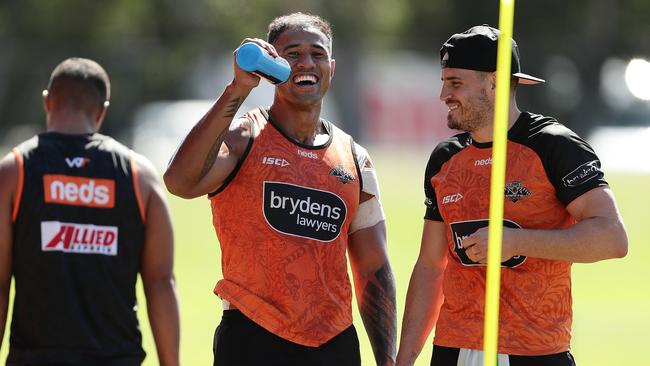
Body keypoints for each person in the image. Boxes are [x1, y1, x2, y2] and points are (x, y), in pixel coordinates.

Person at [164, 12, 396, 366]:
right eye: (292, 54)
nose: (307, 63)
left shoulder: (354, 157)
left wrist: (387, 358)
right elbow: (179, 182)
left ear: (331, 67)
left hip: (334, 343)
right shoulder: (245, 138)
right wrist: (238, 88)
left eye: (317, 54)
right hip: (253, 338)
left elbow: (373, 268)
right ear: (272, 65)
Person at [395, 25, 628, 366]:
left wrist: (516, 242)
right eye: (444, 81)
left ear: (494, 83)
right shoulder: (444, 159)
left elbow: (612, 238)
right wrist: (405, 359)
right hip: (452, 350)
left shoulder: (554, 146)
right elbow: (431, 267)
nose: (443, 94)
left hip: (534, 352)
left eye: (455, 82)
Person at [0, 57, 180, 366]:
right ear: (103, 110)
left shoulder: (14, 171)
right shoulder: (140, 176)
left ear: (47, 102)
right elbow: (161, 283)